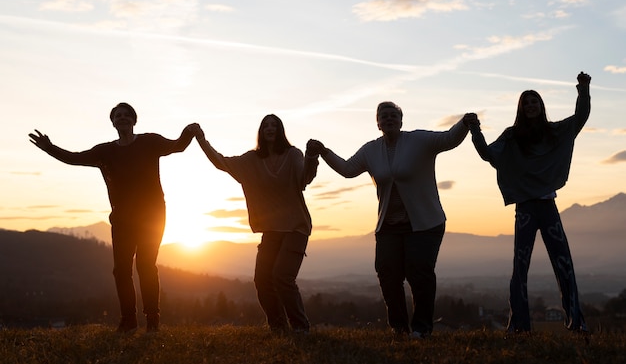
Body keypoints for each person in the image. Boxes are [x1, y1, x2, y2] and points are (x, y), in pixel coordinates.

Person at [307, 102, 475, 339]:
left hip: (425, 223)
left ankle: (421, 329)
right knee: (387, 274)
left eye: (393, 115)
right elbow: (347, 169)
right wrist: (324, 152)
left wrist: (464, 123)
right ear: (377, 123)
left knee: (420, 273)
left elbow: (449, 139)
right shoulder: (371, 150)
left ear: (401, 120)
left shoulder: (419, 141)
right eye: (383, 116)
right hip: (388, 225)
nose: (388, 119)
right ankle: (399, 329)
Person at [28, 102, 197, 333]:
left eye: (127, 115)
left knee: (146, 266)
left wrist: (189, 132)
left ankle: (152, 320)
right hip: (122, 218)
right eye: (118, 115)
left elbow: (178, 146)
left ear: (134, 120)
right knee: (121, 270)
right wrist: (49, 147)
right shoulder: (105, 152)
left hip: (152, 216)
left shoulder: (150, 142)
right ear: (113, 122)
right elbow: (74, 158)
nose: (123, 118)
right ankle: (129, 320)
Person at [467, 72, 591, 333]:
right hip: (525, 208)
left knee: (564, 264)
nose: (531, 105)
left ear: (541, 106)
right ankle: (519, 325)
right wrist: (475, 130)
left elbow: (580, 118)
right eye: (527, 102)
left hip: (548, 207)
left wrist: (583, 89)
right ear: (521, 108)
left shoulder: (554, 132)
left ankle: (576, 322)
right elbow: (488, 154)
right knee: (520, 267)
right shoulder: (512, 137)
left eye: (535, 101)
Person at [194, 114, 318, 333]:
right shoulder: (251, 160)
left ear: (281, 130)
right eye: (266, 125)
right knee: (262, 280)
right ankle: (278, 327)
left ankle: (300, 327)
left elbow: (303, 180)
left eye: (274, 125)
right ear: (261, 131)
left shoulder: (293, 154)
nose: (270, 128)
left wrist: (311, 158)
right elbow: (221, 162)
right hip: (271, 230)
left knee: (282, 277)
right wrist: (202, 140)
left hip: (295, 228)